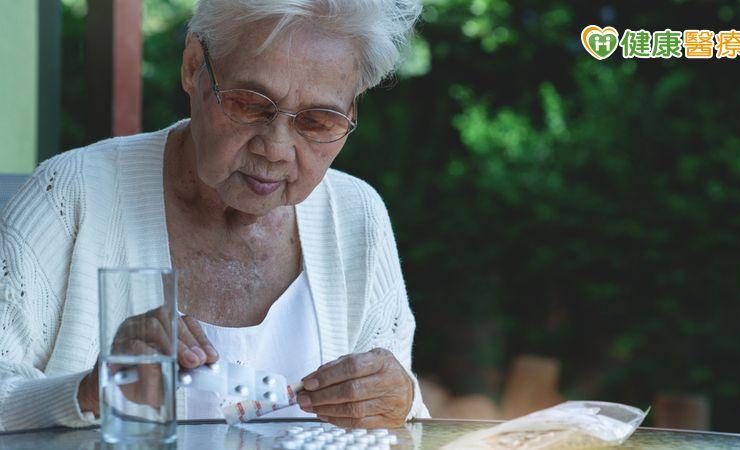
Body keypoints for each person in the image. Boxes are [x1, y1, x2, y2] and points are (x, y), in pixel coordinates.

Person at [0, 0, 429, 431]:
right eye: (249, 104)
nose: (275, 148)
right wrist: (92, 391)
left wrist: (399, 399)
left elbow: (399, 419)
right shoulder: (72, 194)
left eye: (318, 121)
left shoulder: (358, 217)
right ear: (192, 67)